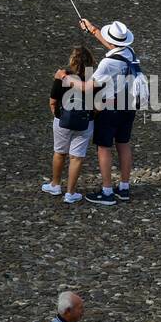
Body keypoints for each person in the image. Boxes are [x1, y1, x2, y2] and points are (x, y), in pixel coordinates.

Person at [55, 18, 140, 206]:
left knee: (104, 147)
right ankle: (124, 188)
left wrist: (64, 77)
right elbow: (112, 46)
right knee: (124, 144)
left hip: (111, 108)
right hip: (129, 106)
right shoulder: (129, 52)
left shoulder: (107, 64)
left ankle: (107, 191)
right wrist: (93, 30)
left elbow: (85, 87)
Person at [42, 45, 98, 204]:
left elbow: (53, 102)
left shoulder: (63, 77)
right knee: (77, 158)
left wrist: (58, 115)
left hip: (62, 120)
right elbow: (98, 106)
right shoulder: (94, 80)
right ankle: (70, 193)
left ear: (72, 60)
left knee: (59, 153)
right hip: (85, 122)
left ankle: (55, 184)